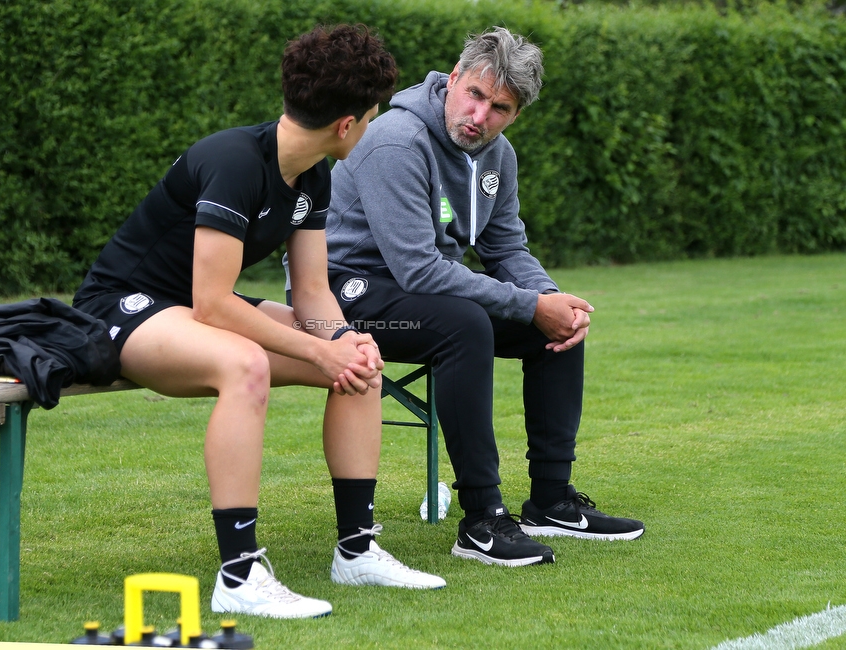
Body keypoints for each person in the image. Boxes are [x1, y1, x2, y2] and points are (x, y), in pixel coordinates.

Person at [72, 24, 445, 620]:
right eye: (370, 117)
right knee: (244, 363)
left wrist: (342, 342)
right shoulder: (234, 161)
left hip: (191, 305)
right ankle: (238, 575)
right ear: (347, 124)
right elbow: (214, 304)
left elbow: (315, 291)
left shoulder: (314, 171)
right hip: (123, 307)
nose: (368, 128)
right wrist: (317, 350)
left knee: (359, 363)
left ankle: (356, 551)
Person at [324, 26, 645, 568]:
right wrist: (528, 305)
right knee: (466, 323)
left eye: (500, 107)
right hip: (346, 294)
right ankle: (481, 519)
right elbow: (418, 269)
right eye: (474, 94)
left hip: (420, 293)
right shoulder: (398, 140)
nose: (480, 116)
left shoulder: (500, 157)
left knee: (555, 324)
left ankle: (551, 500)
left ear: (516, 114)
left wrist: (550, 300)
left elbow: (507, 248)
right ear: (453, 79)